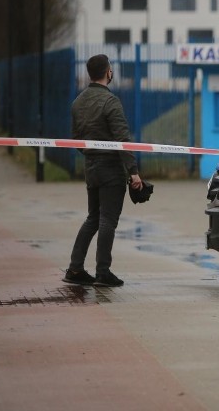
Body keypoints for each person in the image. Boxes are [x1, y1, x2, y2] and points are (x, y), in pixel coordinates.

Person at [63, 54, 142, 287]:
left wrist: (91, 156)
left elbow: (77, 139)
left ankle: (75, 269)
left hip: (91, 168)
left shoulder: (77, 102)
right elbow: (122, 140)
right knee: (108, 219)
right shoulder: (111, 102)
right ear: (108, 72)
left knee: (93, 218)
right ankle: (103, 272)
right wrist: (133, 172)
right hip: (110, 170)